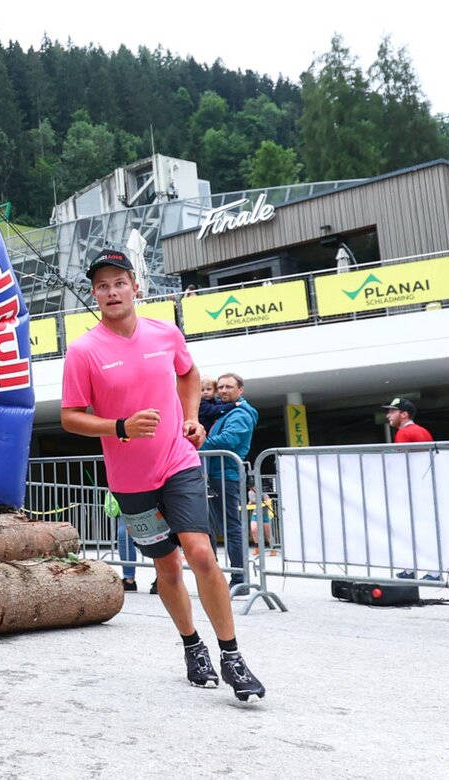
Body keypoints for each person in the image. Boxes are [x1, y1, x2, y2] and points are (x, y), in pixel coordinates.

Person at [59, 247, 265, 701]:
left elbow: (189, 375)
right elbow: (71, 417)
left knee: (201, 554)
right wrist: (120, 428)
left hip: (178, 460)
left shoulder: (165, 332)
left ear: (136, 286)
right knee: (167, 565)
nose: (112, 291)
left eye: (119, 282)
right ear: (93, 295)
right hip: (131, 480)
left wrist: (191, 417)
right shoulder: (84, 351)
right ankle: (193, 646)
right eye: (102, 285)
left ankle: (232, 655)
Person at [201, 373, 256, 589]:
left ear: (240, 390)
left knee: (230, 526)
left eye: (229, 387)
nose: (223, 391)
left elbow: (228, 440)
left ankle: (239, 578)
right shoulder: (225, 411)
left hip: (224, 475)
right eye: (220, 387)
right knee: (210, 526)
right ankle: (217, 577)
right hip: (214, 474)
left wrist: (195, 444)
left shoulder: (240, 413)